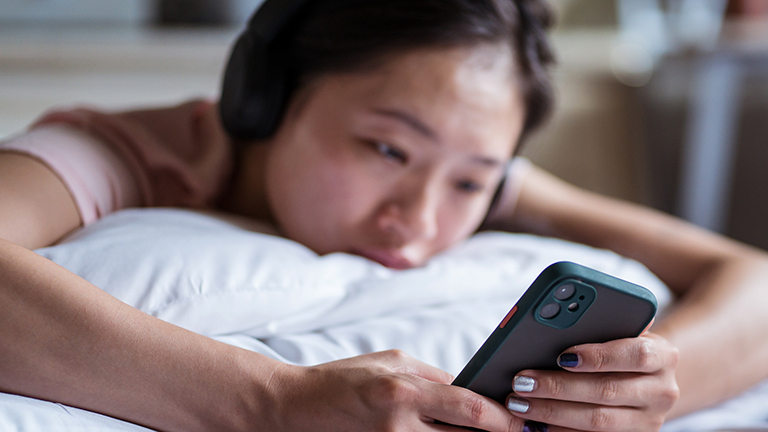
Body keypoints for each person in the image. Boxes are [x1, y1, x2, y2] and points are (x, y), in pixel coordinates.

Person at [0, 0, 765, 431]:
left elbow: (753, 280)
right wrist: (273, 402)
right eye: (387, 151)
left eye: (471, 183)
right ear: (268, 96)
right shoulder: (109, 153)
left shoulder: (470, 181)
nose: (420, 221)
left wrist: (647, 391)